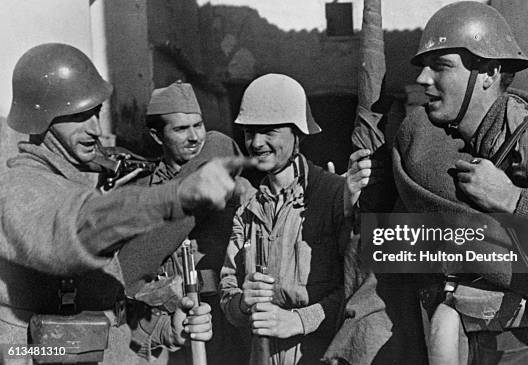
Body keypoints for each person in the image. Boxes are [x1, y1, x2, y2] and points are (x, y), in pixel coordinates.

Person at [344, 2, 528, 364]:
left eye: (441, 67)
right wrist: (368, 194)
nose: (423, 80)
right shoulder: (442, 142)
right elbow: (405, 248)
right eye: (423, 67)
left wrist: (514, 198)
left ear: (488, 73)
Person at [0, 43, 250, 364]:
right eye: (77, 116)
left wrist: (164, 330)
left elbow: (107, 304)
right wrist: (175, 196)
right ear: (40, 119)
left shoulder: (75, 180)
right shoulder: (20, 188)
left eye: (95, 112)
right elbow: (83, 224)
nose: (94, 129)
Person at [220, 73, 360, 365]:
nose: (256, 143)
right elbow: (228, 293)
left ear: (298, 133)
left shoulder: (335, 196)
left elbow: (358, 290)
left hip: (323, 355)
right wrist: (242, 304)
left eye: (269, 131)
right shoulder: (247, 210)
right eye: (249, 132)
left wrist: (299, 320)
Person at [124, 80, 251, 363]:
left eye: (198, 125)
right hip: (163, 327)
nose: (195, 137)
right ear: (157, 136)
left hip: (224, 321)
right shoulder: (138, 193)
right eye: (181, 129)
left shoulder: (236, 188)